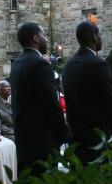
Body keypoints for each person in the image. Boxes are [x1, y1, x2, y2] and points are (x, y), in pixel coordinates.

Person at [8, 22, 68, 174]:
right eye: (43, 35)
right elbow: (51, 104)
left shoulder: (17, 63)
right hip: (41, 140)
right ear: (36, 38)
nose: (46, 39)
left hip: (23, 138)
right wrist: (64, 133)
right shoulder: (39, 64)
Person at [61, 21, 112, 163]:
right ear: (94, 37)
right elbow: (111, 103)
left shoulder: (69, 65)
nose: (101, 38)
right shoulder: (99, 64)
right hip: (97, 137)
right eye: (99, 35)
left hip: (75, 137)